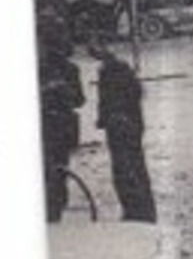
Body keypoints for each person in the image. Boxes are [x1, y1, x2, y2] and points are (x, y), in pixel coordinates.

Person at [89, 43, 156, 222]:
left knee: (124, 169)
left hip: (121, 126)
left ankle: (135, 209)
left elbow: (112, 101)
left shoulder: (111, 71)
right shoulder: (118, 69)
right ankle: (140, 208)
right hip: (128, 125)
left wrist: (107, 118)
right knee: (133, 167)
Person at [39, 31, 85, 222]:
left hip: (55, 127)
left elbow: (78, 99)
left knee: (54, 169)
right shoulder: (69, 69)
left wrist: (59, 92)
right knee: (57, 169)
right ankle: (54, 208)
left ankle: (54, 210)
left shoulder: (66, 70)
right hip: (59, 127)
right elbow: (80, 100)